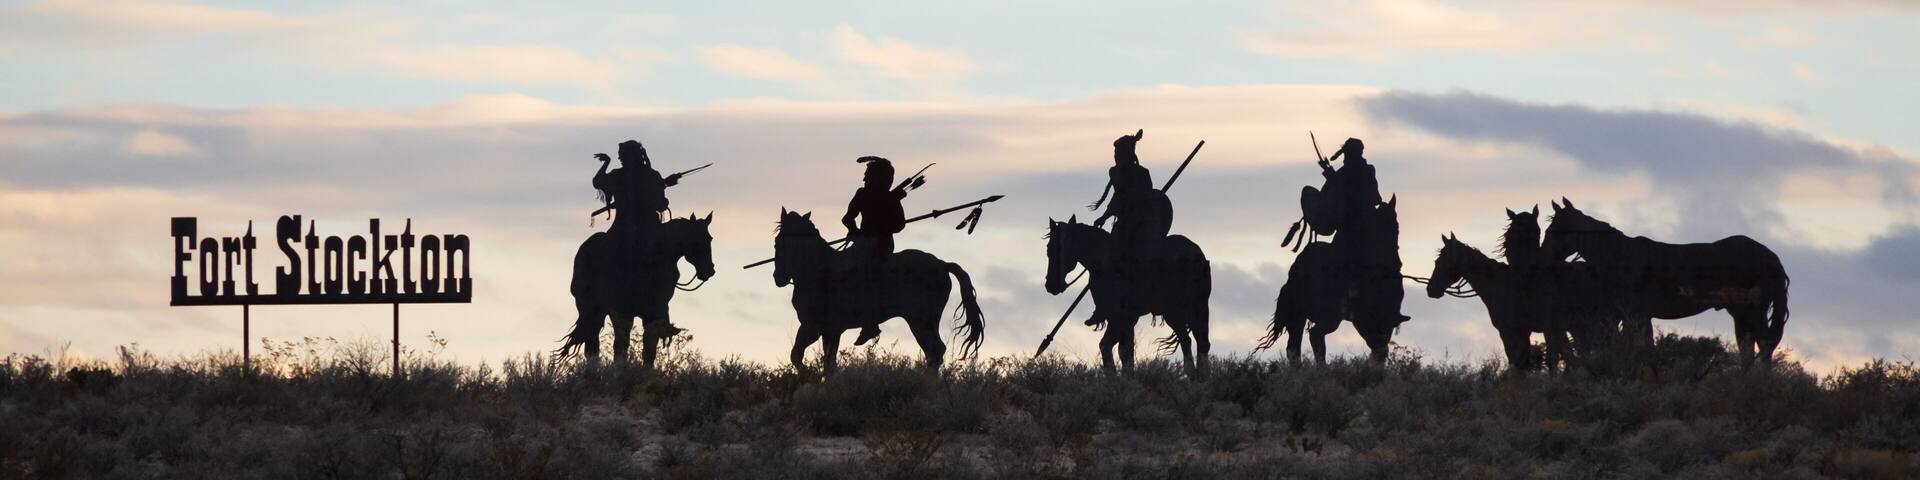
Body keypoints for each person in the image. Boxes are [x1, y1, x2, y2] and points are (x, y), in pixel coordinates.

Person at [593, 139, 687, 335]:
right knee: (665, 265)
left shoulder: (618, 175)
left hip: (621, 229)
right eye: (620, 157)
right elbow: (661, 204)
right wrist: (662, 188)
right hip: (648, 229)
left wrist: (606, 163)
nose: (620, 159)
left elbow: (598, 181)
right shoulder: (651, 175)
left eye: (621, 156)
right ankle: (661, 316)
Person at [839, 156, 924, 345]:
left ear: (879, 178)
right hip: (862, 245)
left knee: (868, 274)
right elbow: (847, 218)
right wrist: (856, 232)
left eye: (868, 175)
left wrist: (880, 225)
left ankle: (870, 324)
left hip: (881, 246)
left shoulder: (890, 198)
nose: (864, 178)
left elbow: (899, 225)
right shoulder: (863, 194)